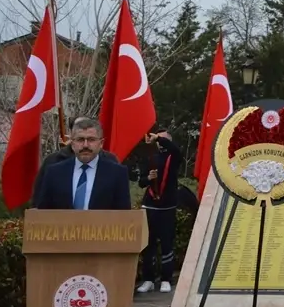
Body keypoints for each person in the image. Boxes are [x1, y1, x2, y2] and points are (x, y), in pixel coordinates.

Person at [34, 117, 132, 211]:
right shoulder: (54, 172)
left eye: (91, 140)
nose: (85, 145)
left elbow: (123, 215)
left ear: (101, 143)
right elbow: (43, 212)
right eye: (80, 140)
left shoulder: (117, 173)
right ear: (72, 144)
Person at [137, 130, 181, 295]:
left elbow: (176, 150)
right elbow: (141, 182)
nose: (159, 142)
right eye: (157, 139)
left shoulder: (174, 157)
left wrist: (160, 138)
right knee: (148, 245)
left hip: (167, 207)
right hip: (150, 207)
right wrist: (148, 178)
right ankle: (148, 279)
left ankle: (166, 279)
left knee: (167, 244)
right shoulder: (150, 157)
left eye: (162, 139)